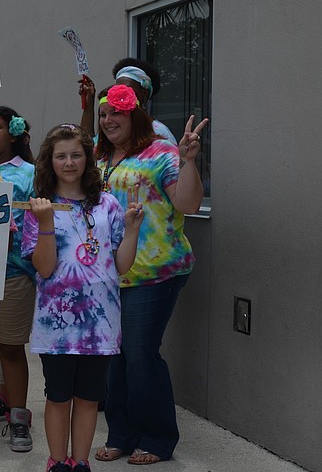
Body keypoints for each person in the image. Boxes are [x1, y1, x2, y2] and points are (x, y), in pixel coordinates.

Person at [93, 85, 208, 465]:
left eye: (116, 113)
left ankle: (157, 438)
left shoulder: (161, 153)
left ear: (135, 114)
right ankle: (121, 434)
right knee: (115, 358)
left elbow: (188, 203)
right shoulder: (100, 156)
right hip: (109, 274)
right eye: (103, 114)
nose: (108, 120)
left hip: (155, 271)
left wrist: (188, 160)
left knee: (141, 356)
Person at [23, 124, 143, 472]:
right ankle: (57, 461)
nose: (69, 162)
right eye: (61, 156)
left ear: (88, 158)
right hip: (55, 325)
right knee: (58, 396)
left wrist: (132, 230)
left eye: (76, 154)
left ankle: (81, 462)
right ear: (50, 161)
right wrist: (45, 222)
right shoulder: (40, 206)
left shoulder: (106, 204)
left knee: (89, 398)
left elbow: (121, 264)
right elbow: (44, 268)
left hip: (100, 323)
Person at [0, 106, 36, 452]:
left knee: (12, 346)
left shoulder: (30, 173)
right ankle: (1, 396)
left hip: (14, 270)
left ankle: (20, 417)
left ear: (13, 133)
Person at [78, 58, 176, 144]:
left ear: (144, 96)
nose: (121, 95)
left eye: (128, 90)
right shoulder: (114, 127)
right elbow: (88, 147)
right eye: (117, 90)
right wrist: (89, 103)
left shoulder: (159, 131)